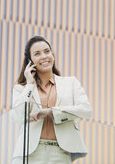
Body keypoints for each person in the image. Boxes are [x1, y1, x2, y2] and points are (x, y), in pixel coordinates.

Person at [11, 36, 92, 164]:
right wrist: (30, 84)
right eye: (37, 54)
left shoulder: (70, 83)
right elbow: (18, 116)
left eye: (47, 51)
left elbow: (86, 110)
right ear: (30, 61)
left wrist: (50, 111)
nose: (44, 56)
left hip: (60, 152)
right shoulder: (21, 89)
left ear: (52, 55)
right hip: (28, 154)